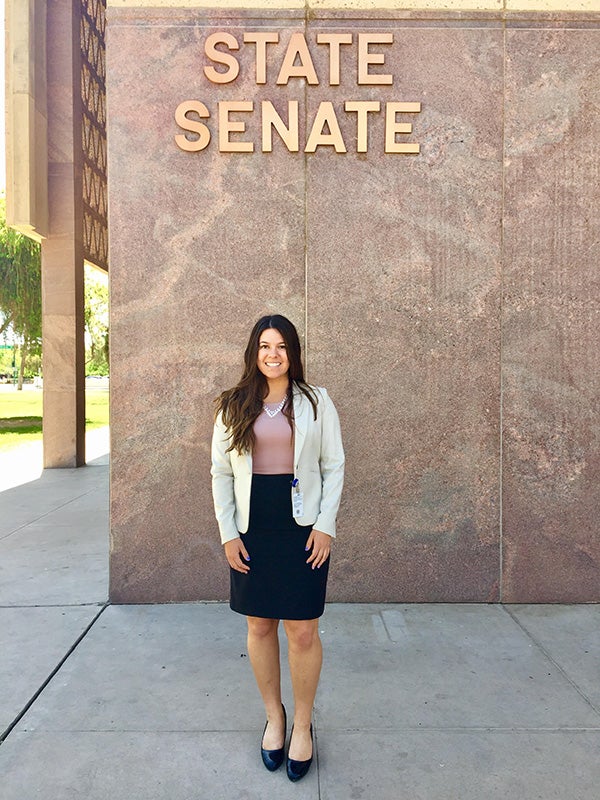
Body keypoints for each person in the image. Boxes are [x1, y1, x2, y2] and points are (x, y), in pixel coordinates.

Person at [211, 314, 344, 782]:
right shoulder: (232, 405)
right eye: (265, 346)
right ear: (254, 351)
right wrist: (229, 533)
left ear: (293, 352)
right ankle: (275, 717)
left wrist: (325, 525)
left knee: (303, 631)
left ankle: (303, 726)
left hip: (302, 526)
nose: (273, 354)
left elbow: (334, 465)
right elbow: (221, 473)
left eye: (282, 346)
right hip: (252, 527)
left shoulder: (316, 402)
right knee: (261, 625)